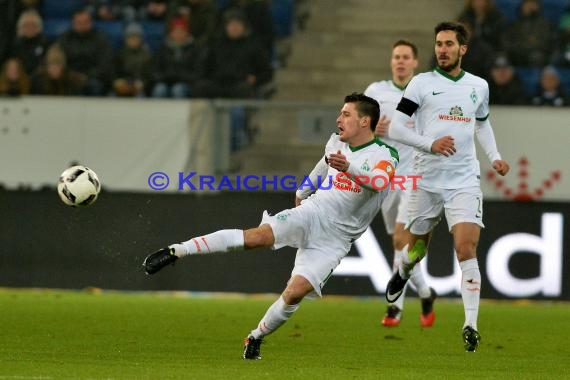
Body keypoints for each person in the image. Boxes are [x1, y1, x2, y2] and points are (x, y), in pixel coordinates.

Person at [142, 92, 399, 360]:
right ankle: (177, 251)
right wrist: (301, 194)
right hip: (313, 212)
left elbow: (379, 182)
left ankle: (255, 336)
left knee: (294, 292)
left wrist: (349, 169)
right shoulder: (335, 142)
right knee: (256, 237)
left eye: (346, 114)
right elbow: (321, 168)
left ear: (364, 121)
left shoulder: (385, 154)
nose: (339, 119)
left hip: (336, 239)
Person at [384, 21, 510, 352]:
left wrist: (495, 156)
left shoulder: (479, 86)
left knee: (465, 246)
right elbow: (396, 128)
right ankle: (405, 271)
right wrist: (430, 144)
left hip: (463, 180)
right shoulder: (421, 83)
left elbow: (482, 124)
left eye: (449, 44)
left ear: (462, 49)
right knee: (416, 249)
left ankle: (470, 324)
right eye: (438, 43)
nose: (442, 49)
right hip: (426, 179)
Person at [364, 40, 436, 328]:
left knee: (399, 239)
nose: (401, 62)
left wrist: (402, 127)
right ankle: (427, 293)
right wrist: (372, 128)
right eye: (396, 57)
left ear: (415, 62)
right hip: (385, 178)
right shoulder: (375, 92)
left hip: (413, 176)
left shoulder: (424, 92)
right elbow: (355, 126)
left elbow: (434, 129)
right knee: (397, 242)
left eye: (406, 57)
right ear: (391, 61)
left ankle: (395, 308)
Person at [193, 9, 273, 98]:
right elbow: (205, 67)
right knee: (201, 87)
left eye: (238, 24)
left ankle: (239, 111)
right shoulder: (216, 44)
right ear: (225, 26)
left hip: (240, 84)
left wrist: (256, 79)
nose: (234, 27)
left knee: (244, 89)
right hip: (218, 83)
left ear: (244, 26)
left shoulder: (254, 46)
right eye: (231, 24)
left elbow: (267, 72)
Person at [56, 8, 114, 96]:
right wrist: (72, 75)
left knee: (93, 85)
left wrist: (87, 76)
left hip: (94, 78)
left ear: (91, 22)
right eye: (79, 22)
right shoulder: (65, 38)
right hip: (69, 77)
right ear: (73, 23)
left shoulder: (100, 39)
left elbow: (105, 64)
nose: (82, 25)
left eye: (85, 22)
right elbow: (57, 59)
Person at [149, 16, 201, 98]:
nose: (178, 34)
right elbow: (155, 70)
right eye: (175, 31)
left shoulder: (194, 50)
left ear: (186, 33)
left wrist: (180, 77)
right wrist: (165, 77)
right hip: (164, 82)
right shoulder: (163, 49)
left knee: (178, 89)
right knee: (159, 89)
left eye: (181, 31)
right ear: (171, 33)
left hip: (185, 84)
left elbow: (197, 72)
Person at [502, 0, 557, 67]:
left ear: (538, 6)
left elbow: (551, 42)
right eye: (527, 4)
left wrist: (534, 45)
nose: (530, 7)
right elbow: (507, 42)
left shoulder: (547, 25)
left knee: (537, 56)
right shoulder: (514, 25)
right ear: (522, 7)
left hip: (540, 55)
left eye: (533, 4)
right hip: (517, 55)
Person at [112, 22, 151, 97]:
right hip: (123, 85)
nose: (133, 40)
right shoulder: (119, 53)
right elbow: (113, 71)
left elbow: (149, 74)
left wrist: (143, 83)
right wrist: (117, 81)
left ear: (141, 39)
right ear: (126, 39)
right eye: (130, 37)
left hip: (140, 87)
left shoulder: (147, 54)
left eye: (136, 37)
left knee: (141, 97)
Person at [10, 9, 50, 76]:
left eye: (33, 25)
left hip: (39, 78)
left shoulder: (45, 43)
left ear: (38, 27)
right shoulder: (15, 45)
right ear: (21, 27)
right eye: (26, 25)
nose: (30, 27)